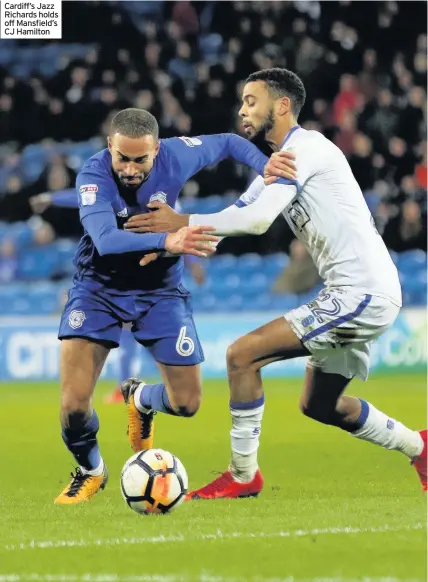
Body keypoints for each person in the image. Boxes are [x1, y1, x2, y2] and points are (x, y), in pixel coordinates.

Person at [124, 70, 427, 498]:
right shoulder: (277, 163)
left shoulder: (307, 149)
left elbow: (256, 221)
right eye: (242, 101)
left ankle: (244, 476)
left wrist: (185, 221)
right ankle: (420, 447)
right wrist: (173, 241)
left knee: (241, 355)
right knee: (320, 404)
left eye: (252, 100)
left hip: (362, 292)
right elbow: (240, 210)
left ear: (282, 106)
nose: (243, 109)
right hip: (352, 292)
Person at [54, 107, 296, 504]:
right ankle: (91, 470)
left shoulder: (178, 155)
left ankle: (140, 399)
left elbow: (231, 142)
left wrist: (265, 165)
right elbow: (105, 240)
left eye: (140, 160)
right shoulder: (93, 176)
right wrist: (169, 240)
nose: (130, 169)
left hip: (161, 291)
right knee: (73, 406)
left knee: (187, 404)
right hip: (98, 289)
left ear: (157, 150)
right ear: (109, 148)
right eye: (122, 158)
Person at [30, 191, 207, 404]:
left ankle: (133, 386)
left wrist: (192, 264)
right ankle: (128, 386)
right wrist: (53, 199)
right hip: (134, 278)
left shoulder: (163, 200)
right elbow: (87, 195)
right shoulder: (128, 192)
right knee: (129, 331)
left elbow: (179, 233)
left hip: (154, 283)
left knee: (141, 335)